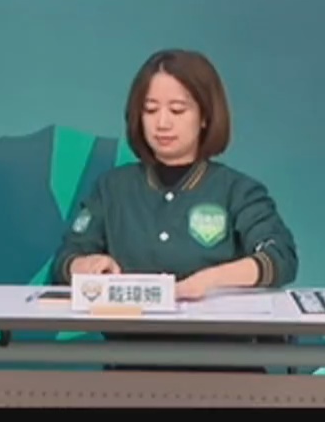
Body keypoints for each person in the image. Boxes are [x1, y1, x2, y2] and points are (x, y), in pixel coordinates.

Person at [51, 49, 299, 373]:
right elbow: (65, 261)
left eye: (177, 110)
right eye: (150, 110)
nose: (162, 123)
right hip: (131, 370)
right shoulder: (112, 188)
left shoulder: (237, 190)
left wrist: (210, 281)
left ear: (205, 116)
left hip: (227, 371)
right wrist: (85, 266)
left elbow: (280, 257)